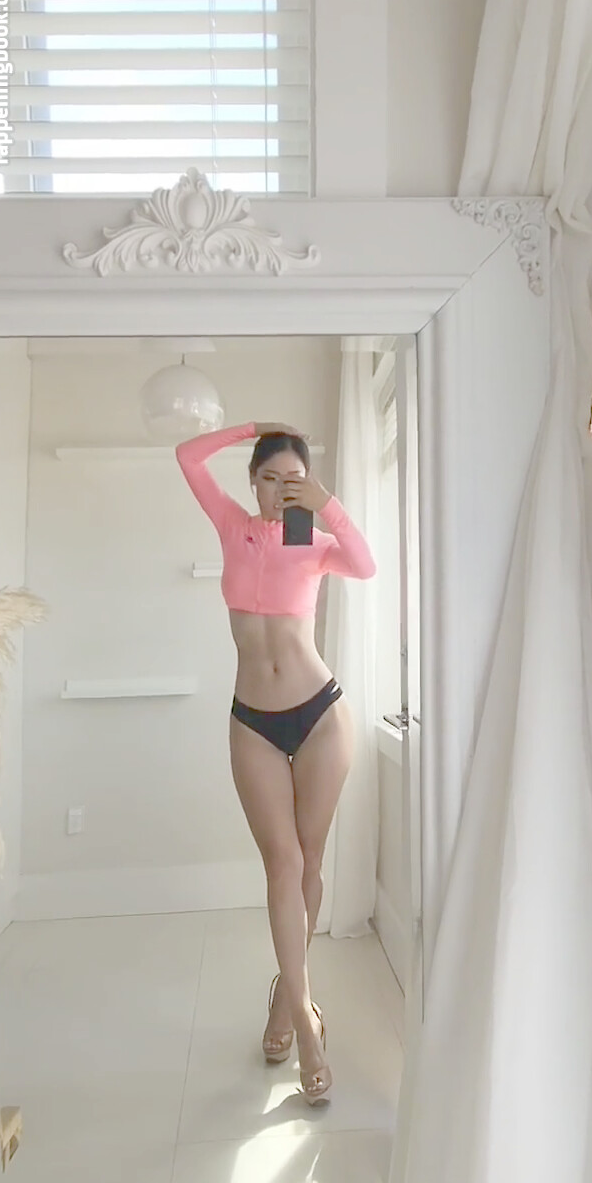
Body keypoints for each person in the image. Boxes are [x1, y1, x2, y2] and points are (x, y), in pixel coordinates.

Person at [176, 420, 377, 1105]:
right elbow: (187, 456)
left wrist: (326, 505)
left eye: (293, 480)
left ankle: (287, 1004)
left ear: (305, 485)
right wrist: (254, 428)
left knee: (309, 864)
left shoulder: (310, 541)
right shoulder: (232, 526)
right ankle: (305, 1019)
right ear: (253, 481)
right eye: (269, 477)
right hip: (254, 725)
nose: (279, 490)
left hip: (320, 717)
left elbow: (366, 565)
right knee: (282, 866)